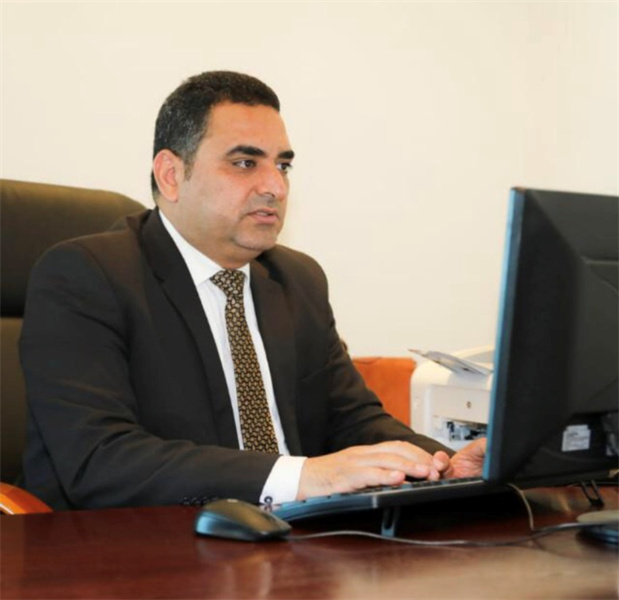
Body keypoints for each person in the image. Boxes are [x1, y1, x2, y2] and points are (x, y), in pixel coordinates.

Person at [20, 71, 485, 510]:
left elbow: (351, 420)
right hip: (139, 544)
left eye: (283, 165)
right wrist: (302, 477)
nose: (275, 186)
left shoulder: (297, 279)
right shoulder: (87, 276)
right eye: (245, 163)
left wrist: (444, 465)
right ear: (171, 175)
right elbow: (99, 459)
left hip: (292, 540)